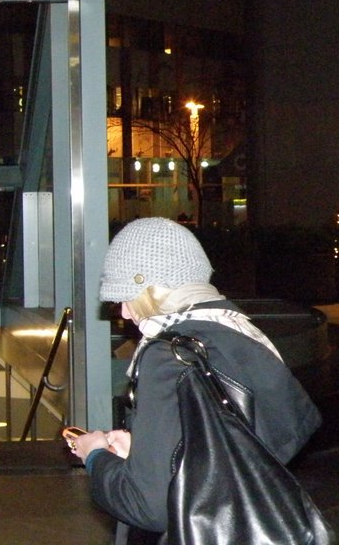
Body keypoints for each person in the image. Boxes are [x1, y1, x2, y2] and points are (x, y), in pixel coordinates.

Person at [68, 217, 322, 544]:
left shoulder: (169, 357)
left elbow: (147, 506)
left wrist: (95, 455)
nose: (124, 313)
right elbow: (244, 456)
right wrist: (145, 452)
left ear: (151, 289)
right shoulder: (243, 334)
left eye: (125, 297)